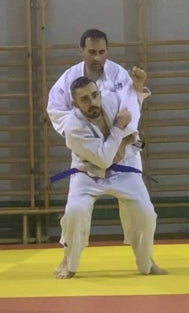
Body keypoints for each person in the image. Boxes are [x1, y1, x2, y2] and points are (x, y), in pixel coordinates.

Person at [54, 76, 166, 279]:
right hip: (87, 173)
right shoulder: (72, 128)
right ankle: (69, 261)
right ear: (75, 103)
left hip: (123, 168)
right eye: (85, 99)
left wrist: (139, 86)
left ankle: (146, 260)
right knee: (74, 212)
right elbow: (104, 160)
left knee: (146, 213)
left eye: (94, 95)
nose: (93, 102)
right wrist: (118, 132)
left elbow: (132, 110)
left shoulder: (111, 100)